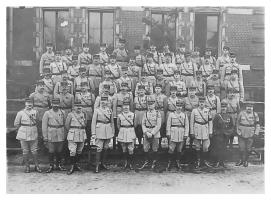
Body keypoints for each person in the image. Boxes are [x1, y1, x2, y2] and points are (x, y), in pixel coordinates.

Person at [13, 98, 42, 173]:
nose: (29, 104)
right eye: (27, 103)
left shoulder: (36, 112)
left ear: (33, 104)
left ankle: (37, 166)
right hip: (23, 133)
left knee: (34, 151)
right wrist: (22, 130)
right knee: (25, 151)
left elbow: (38, 121)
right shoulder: (20, 113)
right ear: (25, 104)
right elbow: (16, 124)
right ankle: (27, 167)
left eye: (31, 103)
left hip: (33, 132)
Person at [91, 95, 115, 173]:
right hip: (99, 129)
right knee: (99, 147)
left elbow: (112, 122)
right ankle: (97, 165)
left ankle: (103, 163)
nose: (104, 103)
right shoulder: (97, 110)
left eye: (105, 101)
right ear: (100, 102)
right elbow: (93, 122)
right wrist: (93, 133)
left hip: (108, 129)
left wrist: (113, 131)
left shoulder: (110, 110)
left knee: (105, 147)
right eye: (102, 101)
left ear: (107, 102)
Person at [42, 98, 66, 173]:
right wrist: (45, 137)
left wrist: (65, 134)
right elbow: (44, 125)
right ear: (51, 104)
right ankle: (51, 166)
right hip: (51, 133)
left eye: (57, 104)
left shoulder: (63, 112)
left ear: (59, 104)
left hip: (60, 132)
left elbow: (65, 124)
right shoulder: (47, 113)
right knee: (51, 150)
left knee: (59, 150)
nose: (55, 105)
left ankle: (59, 165)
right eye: (54, 104)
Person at [139, 96, 162, 170]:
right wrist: (146, 132)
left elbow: (158, 125)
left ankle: (155, 163)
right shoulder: (145, 113)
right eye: (149, 105)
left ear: (154, 105)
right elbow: (143, 124)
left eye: (151, 104)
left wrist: (152, 133)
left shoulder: (158, 113)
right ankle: (147, 162)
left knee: (155, 148)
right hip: (147, 132)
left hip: (155, 132)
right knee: (145, 148)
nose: (150, 106)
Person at [190, 96, 213, 169]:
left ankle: (205, 161)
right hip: (197, 128)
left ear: (205, 103)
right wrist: (192, 132)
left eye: (203, 102)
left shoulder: (208, 110)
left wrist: (210, 132)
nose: (201, 104)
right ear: (198, 103)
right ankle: (198, 160)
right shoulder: (194, 111)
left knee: (205, 147)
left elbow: (210, 122)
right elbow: (191, 122)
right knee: (197, 146)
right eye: (200, 102)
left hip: (205, 129)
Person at [166, 99, 189, 170]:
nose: (179, 107)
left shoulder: (184, 115)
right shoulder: (171, 114)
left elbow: (187, 125)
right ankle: (169, 162)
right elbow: (168, 125)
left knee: (179, 149)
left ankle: (177, 161)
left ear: (182, 107)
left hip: (181, 134)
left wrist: (186, 134)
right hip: (173, 133)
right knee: (171, 149)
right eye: (178, 106)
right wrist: (168, 133)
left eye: (180, 106)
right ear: (175, 106)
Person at [65, 100, 87, 175]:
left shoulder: (84, 114)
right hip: (73, 133)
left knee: (79, 150)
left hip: (81, 133)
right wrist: (72, 131)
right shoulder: (70, 115)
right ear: (74, 107)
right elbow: (67, 125)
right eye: (77, 106)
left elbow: (85, 123)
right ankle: (72, 166)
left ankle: (76, 165)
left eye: (80, 106)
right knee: (72, 151)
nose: (78, 108)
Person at [236, 102, 260, 167]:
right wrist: (238, 131)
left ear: (252, 108)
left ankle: (246, 160)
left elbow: (257, 125)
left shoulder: (255, 115)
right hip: (242, 132)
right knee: (241, 148)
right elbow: (237, 123)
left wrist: (256, 133)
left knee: (248, 148)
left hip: (250, 133)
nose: (249, 108)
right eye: (248, 107)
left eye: (251, 107)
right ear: (245, 107)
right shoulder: (241, 113)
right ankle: (241, 160)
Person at [212, 100, 234, 168]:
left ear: (226, 108)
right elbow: (214, 126)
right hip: (219, 135)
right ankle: (217, 162)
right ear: (220, 108)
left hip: (226, 135)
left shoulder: (229, 116)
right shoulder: (217, 116)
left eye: (225, 107)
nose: (223, 108)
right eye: (222, 107)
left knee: (224, 148)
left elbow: (232, 126)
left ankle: (222, 162)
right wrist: (216, 133)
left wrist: (228, 133)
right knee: (218, 148)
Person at [30, 80, 51, 148]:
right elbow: (30, 105)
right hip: (36, 112)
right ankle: (37, 145)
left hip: (45, 111)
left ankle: (46, 145)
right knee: (37, 128)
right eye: (40, 86)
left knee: (45, 128)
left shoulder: (47, 95)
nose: (42, 87)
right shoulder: (33, 95)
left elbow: (50, 105)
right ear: (37, 86)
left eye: (43, 86)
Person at [117, 98, 136, 170]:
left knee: (131, 148)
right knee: (124, 148)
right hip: (122, 131)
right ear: (122, 107)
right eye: (124, 106)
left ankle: (130, 163)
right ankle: (125, 163)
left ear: (129, 107)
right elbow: (118, 125)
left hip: (130, 131)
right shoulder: (120, 115)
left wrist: (130, 129)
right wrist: (122, 130)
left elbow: (135, 124)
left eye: (127, 106)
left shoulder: (133, 114)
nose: (125, 107)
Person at [75, 81, 95, 146]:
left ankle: (88, 143)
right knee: (81, 128)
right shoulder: (78, 95)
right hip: (81, 112)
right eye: (82, 86)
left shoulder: (91, 95)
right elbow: (76, 105)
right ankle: (81, 144)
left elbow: (93, 105)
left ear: (88, 87)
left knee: (88, 128)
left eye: (85, 86)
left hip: (89, 113)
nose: (83, 87)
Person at [154, 84, 168, 148]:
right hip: (154, 112)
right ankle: (155, 143)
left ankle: (160, 143)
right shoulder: (152, 96)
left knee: (161, 127)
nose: (157, 90)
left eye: (159, 88)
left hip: (161, 112)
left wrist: (163, 113)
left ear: (161, 89)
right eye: (156, 88)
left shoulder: (164, 97)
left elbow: (165, 107)